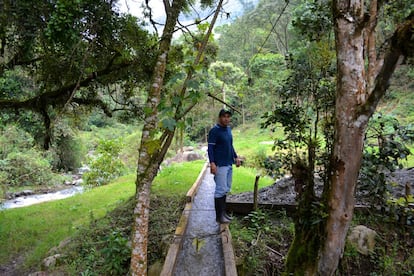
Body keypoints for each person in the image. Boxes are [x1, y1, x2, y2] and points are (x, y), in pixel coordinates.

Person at [207, 109, 241, 224]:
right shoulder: (214, 131)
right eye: (224, 117)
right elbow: (210, 148)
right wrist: (212, 163)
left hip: (228, 163)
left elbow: (230, 145)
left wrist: (236, 157)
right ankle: (219, 216)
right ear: (219, 117)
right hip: (220, 164)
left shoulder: (228, 129)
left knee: (226, 189)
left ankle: (223, 213)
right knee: (220, 190)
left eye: (228, 117)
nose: (226, 119)